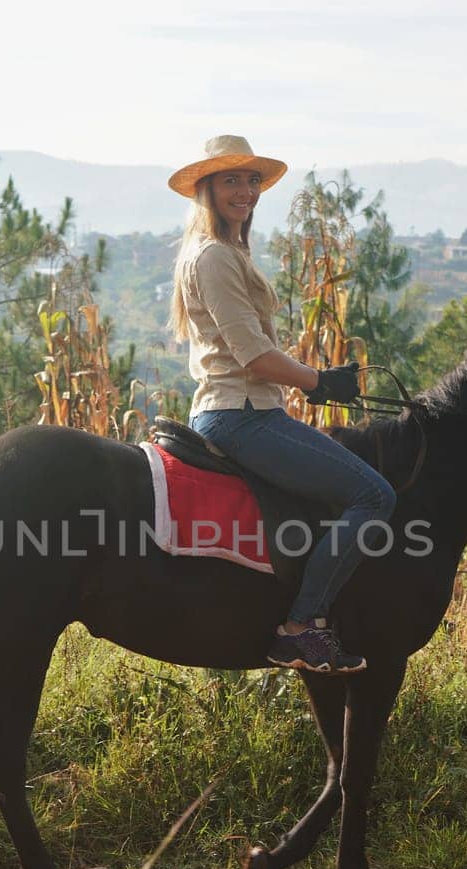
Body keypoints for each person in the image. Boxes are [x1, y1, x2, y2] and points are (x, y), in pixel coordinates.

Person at [167, 135, 397, 674]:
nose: (245, 191)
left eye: (251, 181)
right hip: (240, 414)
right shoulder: (217, 257)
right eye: (231, 180)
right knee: (373, 495)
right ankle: (302, 628)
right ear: (206, 189)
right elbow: (252, 355)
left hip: (245, 407)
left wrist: (312, 378)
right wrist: (318, 381)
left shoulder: (223, 252)